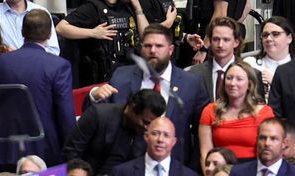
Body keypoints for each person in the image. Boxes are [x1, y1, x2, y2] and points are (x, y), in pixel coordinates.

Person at [87, 24, 209, 165]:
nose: (153, 51)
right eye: (148, 46)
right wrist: (94, 95)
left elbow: (201, 130)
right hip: (126, 164)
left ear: (171, 50)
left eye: (159, 46)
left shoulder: (191, 83)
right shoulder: (122, 75)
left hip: (174, 165)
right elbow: (101, 116)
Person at [0, 9, 75, 169]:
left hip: (7, 151)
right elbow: (65, 113)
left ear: (22, 32)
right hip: (47, 152)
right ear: (49, 34)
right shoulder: (59, 66)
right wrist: (72, 153)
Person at [56, 0, 149, 86]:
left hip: (131, 72)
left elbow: (147, 36)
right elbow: (60, 28)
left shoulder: (128, 5)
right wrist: (93, 33)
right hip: (104, 79)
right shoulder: (93, 8)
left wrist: (138, 8)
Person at [63, 89, 167, 174]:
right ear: (132, 107)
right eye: (145, 122)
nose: (147, 128)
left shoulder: (146, 131)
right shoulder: (97, 115)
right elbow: (71, 153)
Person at [198, 60, 274, 165]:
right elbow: (205, 153)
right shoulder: (210, 111)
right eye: (229, 78)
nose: (233, 83)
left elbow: (270, 152)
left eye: (239, 79)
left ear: (249, 85)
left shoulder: (265, 112)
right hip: (220, 170)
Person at [187, 17, 262, 101]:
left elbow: (258, 109)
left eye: (226, 40)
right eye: (216, 39)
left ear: (236, 42)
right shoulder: (194, 74)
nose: (220, 45)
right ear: (210, 42)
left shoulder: (252, 74)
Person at [111, 116, 198, 176]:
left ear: (174, 141)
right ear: (146, 137)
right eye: (155, 133)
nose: (160, 139)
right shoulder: (122, 172)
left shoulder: (188, 174)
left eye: (166, 135)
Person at [229, 118, 295, 176]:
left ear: (284, 143)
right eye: (262, 138)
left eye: (273, 139)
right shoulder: (237, 172)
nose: (267, 143)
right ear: (257, 140)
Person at [243, 17, 295, 93]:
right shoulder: (250, 64)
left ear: (289, 38)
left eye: (275, 34)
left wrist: (274, 83)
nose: (269, 39)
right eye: (265, 35)